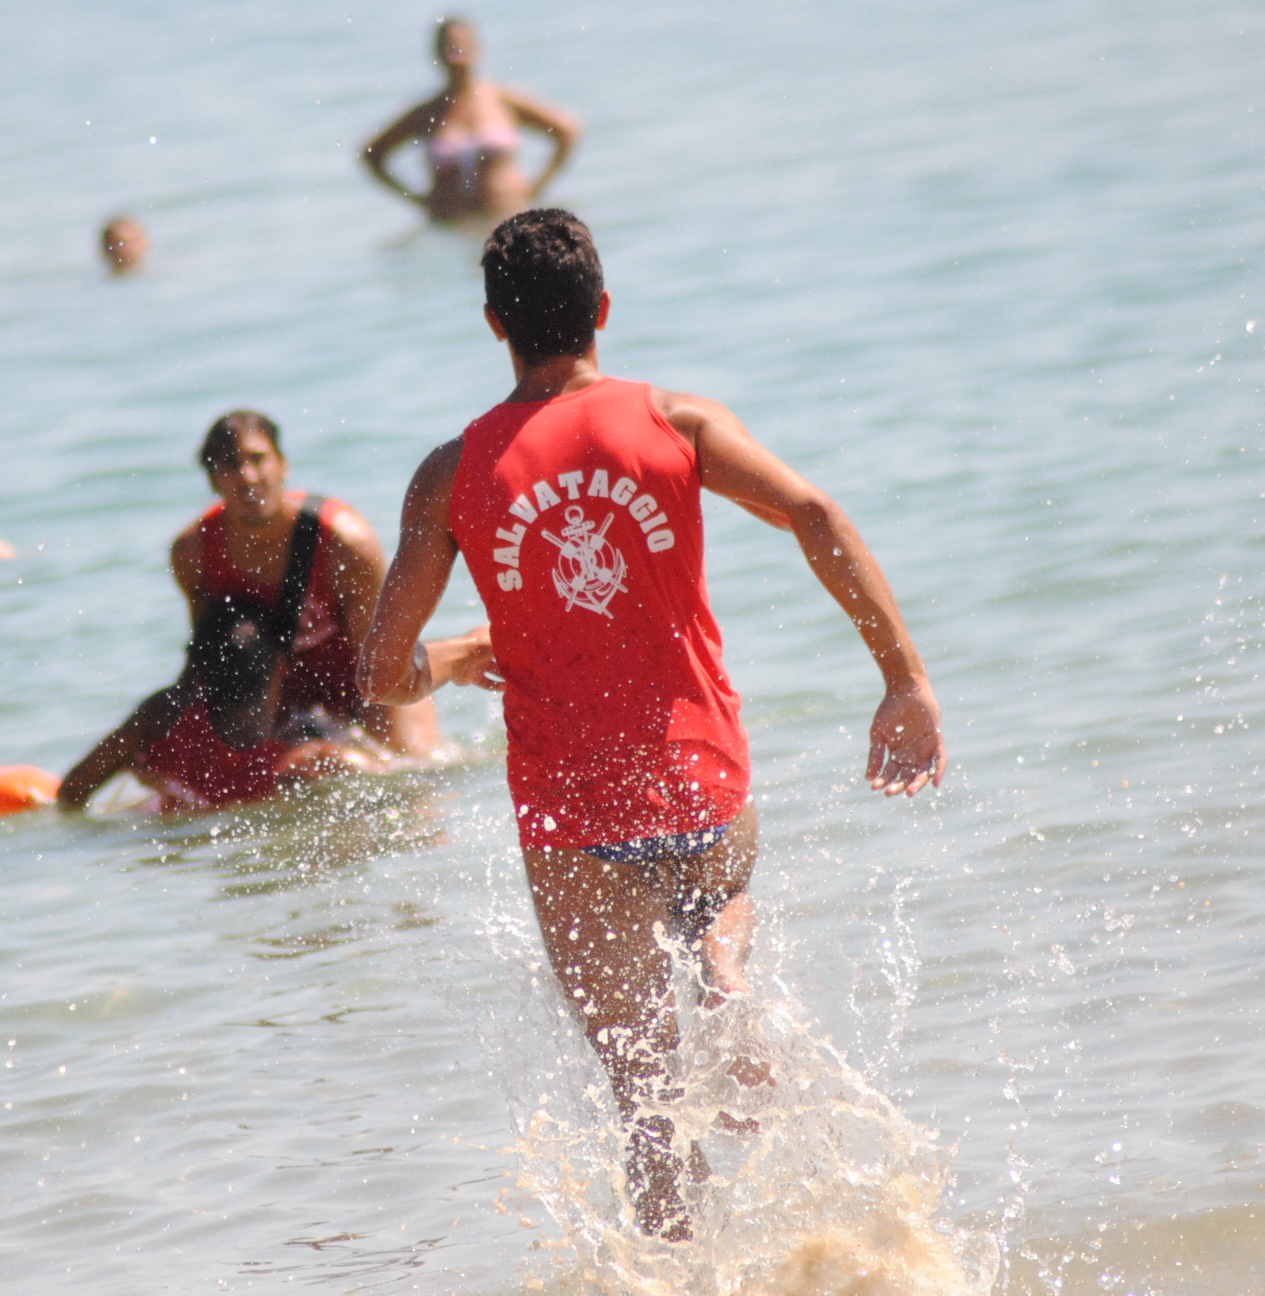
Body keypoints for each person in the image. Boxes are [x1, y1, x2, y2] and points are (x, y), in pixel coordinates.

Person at [357, 210, 946, 1240]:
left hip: (572, 815)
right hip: (698, 773)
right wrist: (903, 680)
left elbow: (380, 679)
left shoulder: (452, 474)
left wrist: (452, 657)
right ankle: (724, 971)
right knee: (720, 902)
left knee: (644, 1105)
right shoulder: (676, 420)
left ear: (494, 325)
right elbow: (813, 514)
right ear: (605, 310)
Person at [171, 410, 440, 758]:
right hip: (277, 707)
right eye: (230, 465)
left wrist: (391, 758)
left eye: (257, 459)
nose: (247, 477)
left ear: (282, 465)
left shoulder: (344, 543)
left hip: (368, 686)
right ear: (213, 480)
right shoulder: (194, 551)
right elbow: (214, 669)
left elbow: (382, 661)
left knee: (413, 772)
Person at [59, 597, 386, 813]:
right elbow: (395, 779)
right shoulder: (305, 760)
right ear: (282, 667)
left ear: (198, 670)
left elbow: (72, 792)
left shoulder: (161, 720)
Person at [363, 16, 579, 226]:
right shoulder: (427, 112)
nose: (456, 50)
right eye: (449, 44)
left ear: (478, 47)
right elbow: (372, 154)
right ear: (436, 53)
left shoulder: (502, 100)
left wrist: (537, 187)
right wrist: (416, 200)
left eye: (463, 43)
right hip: (452, 228)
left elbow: (567, 130)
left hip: (510, 219)